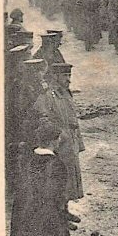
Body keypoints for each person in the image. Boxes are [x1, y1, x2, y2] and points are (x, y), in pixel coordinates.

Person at [9, 120, 75, 236]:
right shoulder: (57, 165)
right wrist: (64, 214)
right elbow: (57, 196)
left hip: (26, 214)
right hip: (48, 215)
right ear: (54, 141)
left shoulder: (28, 160)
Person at [33, 63, 85, 226]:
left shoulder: (65, 93)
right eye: (64, 76)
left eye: (69, 76)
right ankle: (58, 217)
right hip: (59, 144)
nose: (68, 79)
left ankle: (65, 210)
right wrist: (57, 135)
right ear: (55, 77)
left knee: (69, 178)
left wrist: (78, 141)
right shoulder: (48, 96)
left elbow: (72, 117)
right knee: (59, 181)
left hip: (70, 142)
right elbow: (43, 117)